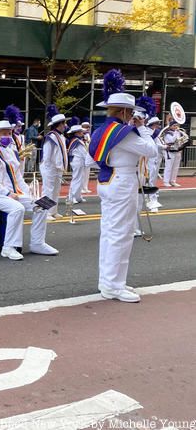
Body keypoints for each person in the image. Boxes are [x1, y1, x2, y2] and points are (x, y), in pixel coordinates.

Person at [89, 69, 158, 303]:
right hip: (122, 181)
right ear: (126, 111)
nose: (133, 117)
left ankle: (108, 281)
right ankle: (114, 286)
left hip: (108, 179)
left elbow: (92, 157)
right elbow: (151, 150)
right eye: (132, 113)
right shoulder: (123, 132)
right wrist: (145, 129)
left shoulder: (102, 129)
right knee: (122, 234)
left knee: (110, 233)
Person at [0, 119, 58, 261]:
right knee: (17, 209)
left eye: (9, 133)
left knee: (44, 204)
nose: (7, 136)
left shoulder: (12, 152)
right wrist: (7, 193)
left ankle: (37, 243)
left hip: (14, 192)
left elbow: (18, 177)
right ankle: (8, 247)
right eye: (4, 133)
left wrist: (29, 193)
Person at [40, 105, 68, 220]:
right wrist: (48, 168)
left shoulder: (60, 136)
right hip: (49, 167)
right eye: (63, 123)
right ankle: (44, 212)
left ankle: (53, 211)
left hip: (57, 168)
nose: (65, 125)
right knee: (48, 189)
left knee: (56, 190)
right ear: (59, 124)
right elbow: (47, 155)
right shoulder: (51, 137)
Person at [66, 117, 88, 205]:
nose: (83, 133)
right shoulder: (77, 141)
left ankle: (78, 196)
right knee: (77, 179)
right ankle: (71, 197)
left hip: (79, 161)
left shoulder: (77, 140)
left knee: (80, 179)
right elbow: (84, 153)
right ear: (77, 132)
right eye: (81, 131)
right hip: (77, 161)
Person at [146, 115, 166, 210]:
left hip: (154, 158)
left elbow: (158, 144)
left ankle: (150, 197)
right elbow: (155, 144)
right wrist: (164, 146)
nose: (159, 125)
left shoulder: (154, 132)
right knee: (150, 179)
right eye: (157, 123)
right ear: (153, 124)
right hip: (148, 158)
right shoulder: (147, 132)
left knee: (151, 179)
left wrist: (164, 146)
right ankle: (152, 200)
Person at [162, 120, 184, 187]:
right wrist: (176, 133)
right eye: (174, 125)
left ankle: (173, 181)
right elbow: (172, 140)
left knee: (175, 167)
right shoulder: (167, 133)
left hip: (177, 151)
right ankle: (166, 181)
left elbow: (180, 141)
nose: (176, 127)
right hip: (170, 152)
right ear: (170, 126)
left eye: (176, 125)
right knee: (168, 167)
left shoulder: (178, 132)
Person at [80, 119, 92, 193]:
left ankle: (85, 187)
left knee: (87, 173)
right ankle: (81, 188)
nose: (87, 128)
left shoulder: (88, 135)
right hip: (82, 155)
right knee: (81, 173)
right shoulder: (80, 135)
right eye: (86, 127)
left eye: (88, 127)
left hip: (88, 154)